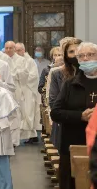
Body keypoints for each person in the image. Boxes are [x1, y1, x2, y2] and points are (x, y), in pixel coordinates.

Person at [51, 41, 97, 189]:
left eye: (90, 55)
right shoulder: (70, 84)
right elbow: (56, 113)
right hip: (72, 142)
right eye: (81, 56)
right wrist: (80, 116)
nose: (85, 59)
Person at [48, 38, 82, 150]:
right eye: (71, 52)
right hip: (65, 123)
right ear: (66, 55)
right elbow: (53, 101)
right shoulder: (57, 73)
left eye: (78, 51)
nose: (75, 55)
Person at [14, 42, 41, 143]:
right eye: (15, 50)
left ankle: (31, 135)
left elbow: (33, 76)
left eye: (19, 50)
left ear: (23, 50)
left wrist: (21, 77)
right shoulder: (14, 61)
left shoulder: (29, 61)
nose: (17, 52)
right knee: (21, 112)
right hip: (19, 90)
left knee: (28, 112)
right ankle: (25, 135)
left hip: (28, 90)